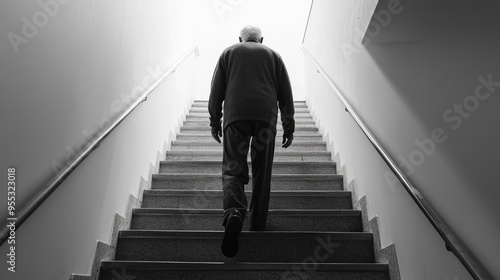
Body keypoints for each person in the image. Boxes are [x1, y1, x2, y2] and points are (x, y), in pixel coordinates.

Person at [208, 25, 295, 257]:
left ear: (240, 39)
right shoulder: (274, 56)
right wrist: (289, 124)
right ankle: (257, 222)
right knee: (262, 171)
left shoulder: (229, 53)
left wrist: (214, 121)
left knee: (233, 169)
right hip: (265, 119)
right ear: (261, 39)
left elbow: (216, 90)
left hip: (236, 116)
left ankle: (235, 212)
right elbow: (286, 93)